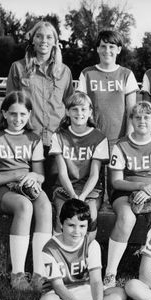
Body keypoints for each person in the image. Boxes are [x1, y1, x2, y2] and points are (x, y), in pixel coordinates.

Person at [0, 91, 52, 291]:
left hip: (25, 186)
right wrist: (15, 176)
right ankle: (18, 275)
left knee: (45, 205)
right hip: (1, 190)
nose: (17, 119)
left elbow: (40, 175)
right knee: (24, 206)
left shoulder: (33, 138)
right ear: (4, 113)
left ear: (29, 114)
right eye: (13, 114)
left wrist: (31, 178)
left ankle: (39, 274)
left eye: (22, 114)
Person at [104, 101, 151, 288]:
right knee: (126, 218)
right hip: (125, 191)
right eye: (138, 117)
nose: (142, 121)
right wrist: (141, 186)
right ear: (131, 120)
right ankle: (110, 273)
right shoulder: (121, 145)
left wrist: (150, 192)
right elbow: (116, 181)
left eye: (147, 117)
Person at [6, 21, 74, 195]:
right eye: (39, 36)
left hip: (56, 140)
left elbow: (70, 106)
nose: (44, 40)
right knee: (28, 190)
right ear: (32, 40)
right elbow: (10, 105)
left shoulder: (64, 71)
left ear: (55, 42)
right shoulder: (18, 68)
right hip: (27, 139)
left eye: (49, 37)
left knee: (53, 190)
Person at [38, 198, 126, 300]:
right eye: (71, 225)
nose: (77, 231)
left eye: (82, 226)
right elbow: (58, 286)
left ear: (87, 227)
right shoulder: (50, 249)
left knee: (120, 294)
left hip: (86, 290)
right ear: (61, 224)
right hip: (62, 295)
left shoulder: (91, 244)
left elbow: (96, 280)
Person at [49, 91, 109, 235]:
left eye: (83, 109)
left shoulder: (99, 137)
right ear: (67, 112)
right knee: (62, 216)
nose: (79, 113)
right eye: (74, 109)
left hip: (90, 190)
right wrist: (72, 195)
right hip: (65, 188)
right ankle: (60, 255)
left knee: (91, 216)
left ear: (90, 112)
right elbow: (62, 173)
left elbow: (94, 175)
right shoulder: (59, 136)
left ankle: (85, 254)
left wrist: (82, 197)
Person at [77, 29, 139, 145]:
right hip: (91, 138)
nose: (107, 50)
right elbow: (80, 107)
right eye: (103, 46)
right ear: (97, 49)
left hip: (118, 140)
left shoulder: (126, 74)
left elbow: (131, 110)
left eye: (112, 47)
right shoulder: (87, 74)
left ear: (119, 50)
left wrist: (128, 139)